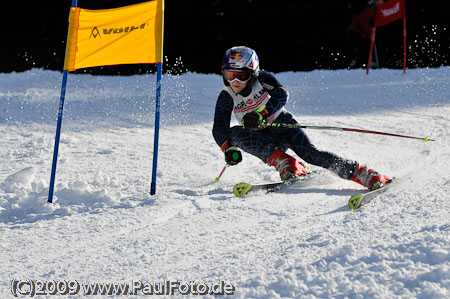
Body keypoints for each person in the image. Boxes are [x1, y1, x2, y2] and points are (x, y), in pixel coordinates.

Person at [212, 46, 390, 190]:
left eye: (241, 76)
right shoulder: (227, 96)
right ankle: (287, 164)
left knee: (311, 154)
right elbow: (219, 126)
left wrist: (262, 114)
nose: (235, 81)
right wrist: (228, 149)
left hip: (283, 125)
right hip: (261, 139)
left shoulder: (263, 79)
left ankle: (365, 174)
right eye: (229, 75)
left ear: (253, 73)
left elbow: (282, 95)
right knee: (235, 133)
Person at [345, 0, 377, 68]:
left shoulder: (372, 11)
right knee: (357, 49)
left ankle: (363, 63)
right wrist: (369, 32)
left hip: (359, 33)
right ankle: (355, 64)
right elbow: (363, 22)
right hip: (355, 32)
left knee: (362, 48)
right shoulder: (369, 10)